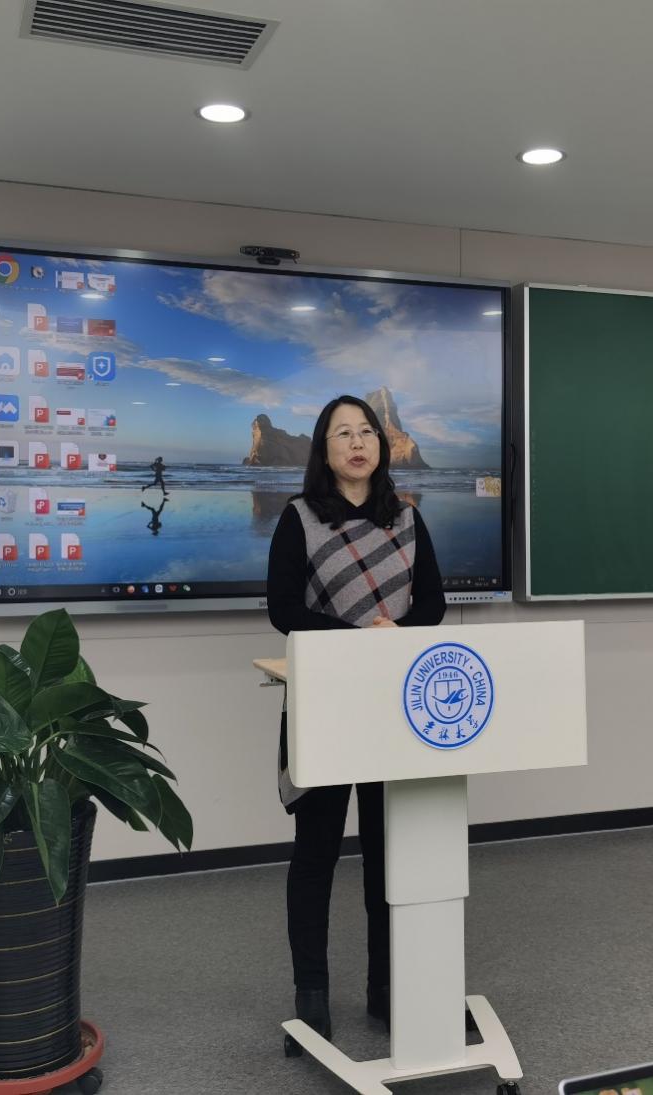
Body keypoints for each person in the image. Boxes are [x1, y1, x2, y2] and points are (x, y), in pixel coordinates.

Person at [266, 394, 445, 1046]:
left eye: (366, 430)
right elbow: (283, 609)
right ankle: (311, 999)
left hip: (393, 709)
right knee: (315, 854)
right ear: (325, 449)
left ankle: (387, 991)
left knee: (386, 856)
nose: (357, 442)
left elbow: (433, 603)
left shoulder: (407, 518)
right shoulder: (300, 518)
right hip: (326, 703)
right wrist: (357, 639)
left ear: (381, 444)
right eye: (343, 433)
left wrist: (396, 633)